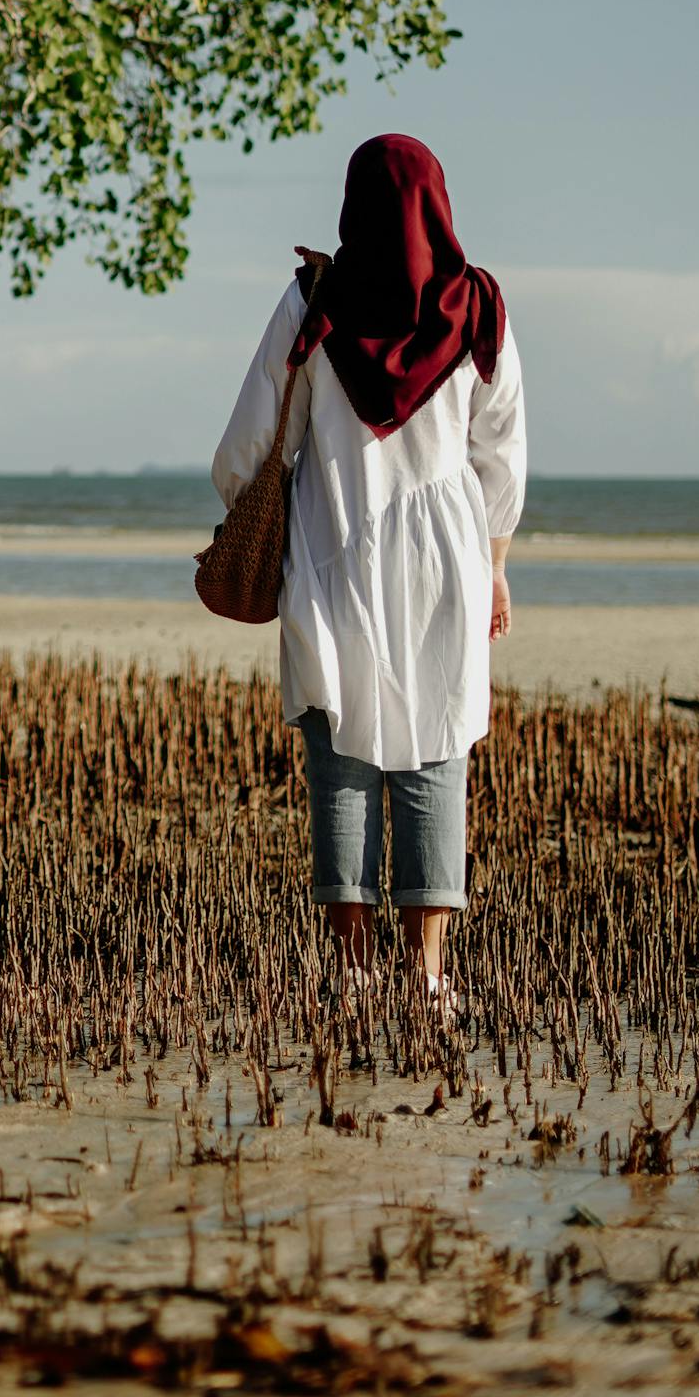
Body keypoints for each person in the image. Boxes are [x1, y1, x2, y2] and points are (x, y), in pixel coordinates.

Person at [211, 134, 526, 1008]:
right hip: (447, 556)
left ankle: (350, 974)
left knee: (339, 748)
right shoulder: (479, 304)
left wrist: (247, 501)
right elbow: (501, 453)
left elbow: (251, 435)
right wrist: (494, 563)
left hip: (332, 543)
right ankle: (427, 978)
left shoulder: (313, 296)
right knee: (435, 747)